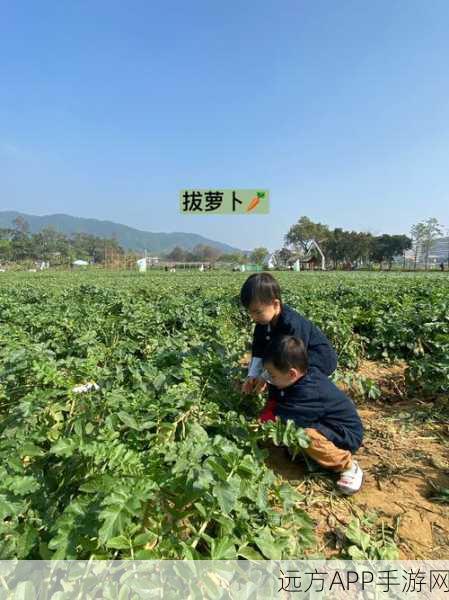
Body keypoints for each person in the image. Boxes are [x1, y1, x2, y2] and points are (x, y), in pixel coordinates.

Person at [262, 335, 364, 495]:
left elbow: (285, 416)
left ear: (291, 373)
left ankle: (349, 466)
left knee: (305, 435)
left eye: (272, 375)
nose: (268, 379)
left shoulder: (310, 392)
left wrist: (262, 420)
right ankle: (316, 456)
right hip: (327, 424)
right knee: (295, 440)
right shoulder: (302, 377)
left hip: (346, 435)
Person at [240, 272, 337, 398]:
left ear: (275, 304)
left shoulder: (291, 324)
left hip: (316, 359)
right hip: (293, 360)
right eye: (250, 312)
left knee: (295, 384)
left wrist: (264, 377)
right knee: (278, 376)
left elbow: (292, 360)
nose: (253, 317)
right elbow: (258, 349)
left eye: (257, 312)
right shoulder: (262, 322)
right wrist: (252, 375)